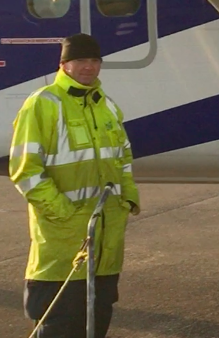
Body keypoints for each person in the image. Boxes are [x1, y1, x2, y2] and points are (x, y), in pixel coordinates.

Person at [9, 33, 140, 338]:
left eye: (95, 61)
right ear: (64, 64)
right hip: (63, 241)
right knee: (59, 322)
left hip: (106, 241)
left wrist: (128, 198)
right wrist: (65, 213)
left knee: (97, 320)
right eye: (80, 60)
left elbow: (123, 156)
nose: (89, 67)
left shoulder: (107, 106)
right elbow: (25, 170)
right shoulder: (43, 104)